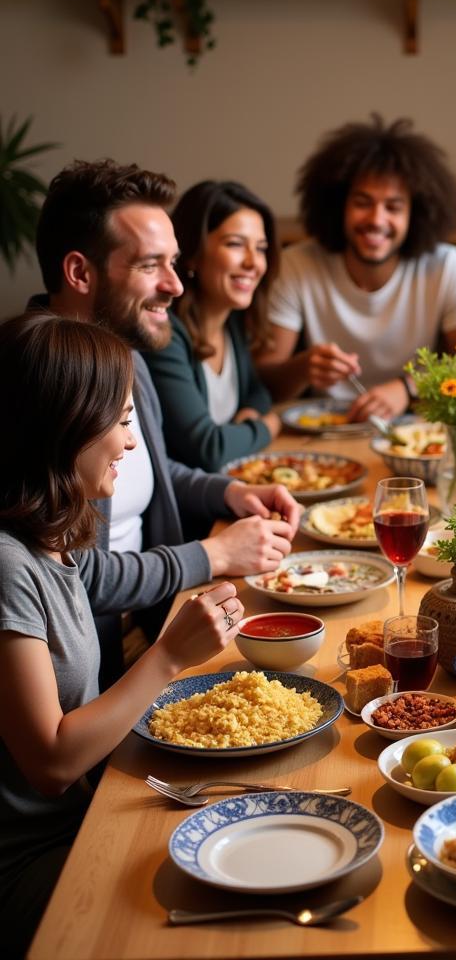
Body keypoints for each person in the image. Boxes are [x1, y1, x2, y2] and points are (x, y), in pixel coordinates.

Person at [0, 311, 245, 957]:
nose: (131, 444)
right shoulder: (6, 565)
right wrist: (168, 657)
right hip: (31, 860)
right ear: (64, 427)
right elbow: (51, 763)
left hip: (85, 815)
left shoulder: (53, 539)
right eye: (122, 422)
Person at [33, 159, 301, 687]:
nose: (176, 286)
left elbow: (155, 469)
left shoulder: (124, 356)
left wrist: (230, 493)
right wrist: (213, 553)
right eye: (150, 265)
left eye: (174, 262)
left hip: (157, 627)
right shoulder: (43, 385)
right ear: (80, 273)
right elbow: (75, 577)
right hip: (107, 669)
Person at [255, 116, 456, 420]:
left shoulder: (445, 265)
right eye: (363, 202)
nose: (377, 220)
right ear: (338, 206)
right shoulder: (298, 264)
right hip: (324, 430)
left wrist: (408, 388)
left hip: (418, 429)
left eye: (393, 207)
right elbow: (265, 385)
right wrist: (303, 368)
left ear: (416, 214)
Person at [142, 180, 282, 471]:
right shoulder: (165, 334)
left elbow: (259, 392)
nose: (253, 263)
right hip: (190, 508)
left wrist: (250, 414)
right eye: (235, 244)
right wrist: (268, 426)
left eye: (261, 248)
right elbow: (208, 448)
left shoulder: (231, 320)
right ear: (192, 253)